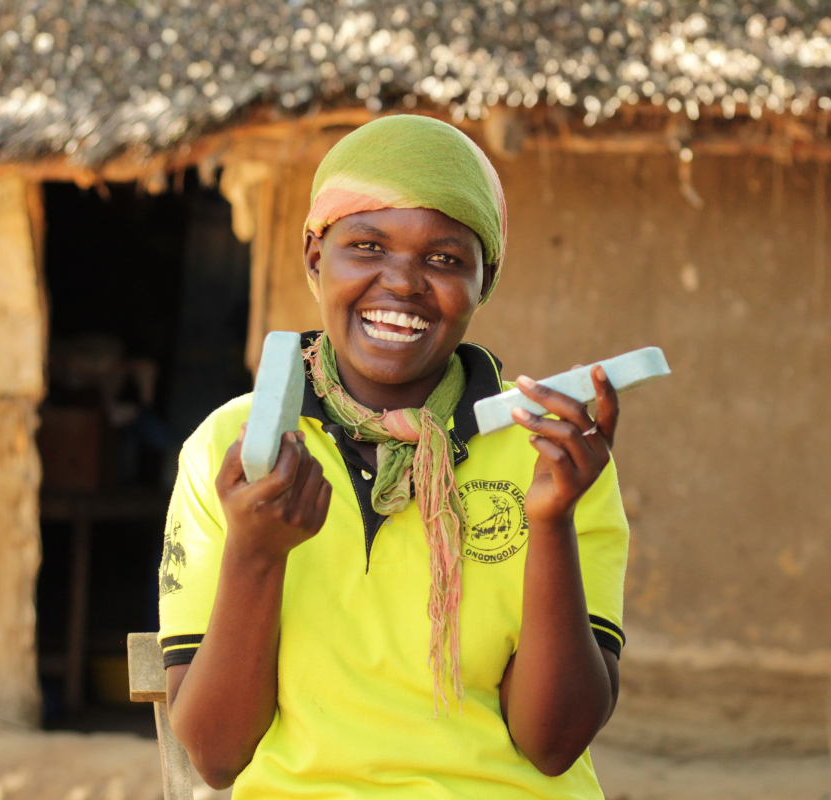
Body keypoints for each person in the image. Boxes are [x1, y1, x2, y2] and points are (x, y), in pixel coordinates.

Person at [158, 114, 630, 799]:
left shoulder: (550, 449)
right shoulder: (234, 451)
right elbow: (217, 755)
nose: (403, 283)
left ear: (483, 282)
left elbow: (552, 744)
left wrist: (553, 522)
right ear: (316, 258)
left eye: (444, 259)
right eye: (368, 245)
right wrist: (257, 554)